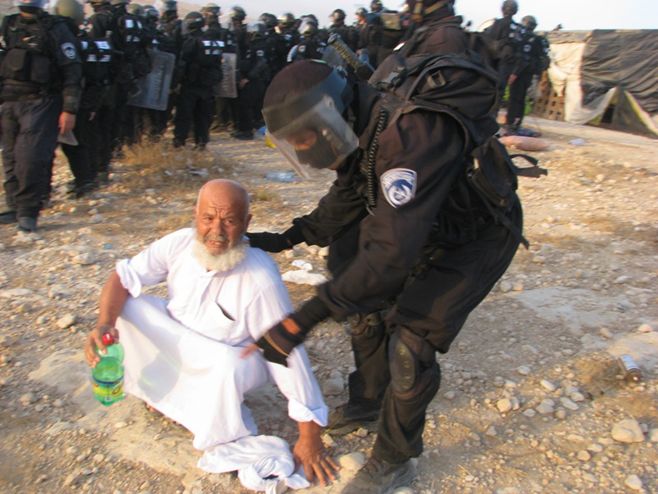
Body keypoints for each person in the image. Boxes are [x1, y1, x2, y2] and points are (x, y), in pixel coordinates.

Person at [246, 57, 522, 493]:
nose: (303, 151)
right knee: (364, 308)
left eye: (304, 139)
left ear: (329, 114)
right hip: (423, 227)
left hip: (475, 239)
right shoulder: (361, 126)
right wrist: (282, 238)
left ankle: (394, 459)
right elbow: (347, 197)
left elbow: (388, 257)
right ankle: (370, 402)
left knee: (411, 345)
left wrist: (302, 320)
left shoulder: (410, 136)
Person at [84, 179, 338, 486]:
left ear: (246, 223)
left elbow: (287, 352)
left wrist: (309, 436)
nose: (216, 231)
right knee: (128, 309)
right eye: (208, 218)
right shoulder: (179, 243)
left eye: (229, 221)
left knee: (228, 367)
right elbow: (124, 276)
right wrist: (104, 323)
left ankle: (192, 408)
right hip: (178, 339)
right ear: (196, 215)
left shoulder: (260, 278)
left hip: (227, 358)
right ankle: (164, 395)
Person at [0, 0, 82, 232]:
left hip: (41, 101)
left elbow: (72, 70)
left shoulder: (55, 29)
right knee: (11, 157)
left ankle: (28, 211)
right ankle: (14, 205)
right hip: (10, 101)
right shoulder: (9, 25)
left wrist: (69, 109)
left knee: (31, 157)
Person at [172, 11, 222, 149]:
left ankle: (179, 142)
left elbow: (183, 63)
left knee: (184, 115)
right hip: (207, 85)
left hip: (191, 84)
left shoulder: (191, 41)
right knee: (203, 116)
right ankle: (201, 143)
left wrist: (175, 83)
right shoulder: (212, 42)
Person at [503, 15, 549, 137]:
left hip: (521, 73)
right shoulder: (539, 40)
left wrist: (514, 73)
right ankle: (515, 123)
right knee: (520, 99)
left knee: (515, 99)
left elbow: (523, 58)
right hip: (529, 74)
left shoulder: (526, 39)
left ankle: (511, 124)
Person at [483, 0, 524, 109]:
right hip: (508, 65)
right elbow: (520, 52)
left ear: (502, 9)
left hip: (494, 62)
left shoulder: (498, 23)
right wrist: (515, 71)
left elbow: (488, 41)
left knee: (488, 90)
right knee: (499, 93)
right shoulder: (519, 28)